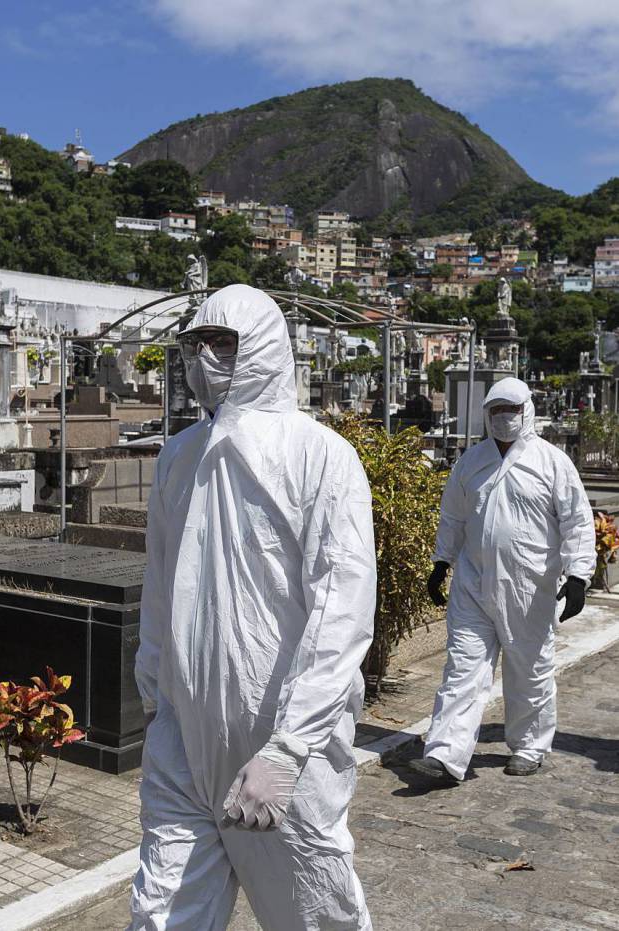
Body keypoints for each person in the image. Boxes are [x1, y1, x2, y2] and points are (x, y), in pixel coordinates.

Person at [129, 284, 377, 930]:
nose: (204, 357)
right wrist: (156, 702)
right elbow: (160, 588)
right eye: (195, 343)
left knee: (316, 915)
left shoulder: (320, 457)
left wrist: (289, 749)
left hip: (280, 754)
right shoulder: (177, 461)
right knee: (161, 915)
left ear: (262, 349)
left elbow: (339, 612)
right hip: (183, 748)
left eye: (222, 343)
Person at [411, 377, 595, 784]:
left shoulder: (551, 463)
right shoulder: (471, 462)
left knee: (528, 668)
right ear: (486, 415)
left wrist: (579, 574)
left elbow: (576, 522)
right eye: (496, 410)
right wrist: (441, 562)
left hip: (529, 588)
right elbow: (454, 516)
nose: (504, 418)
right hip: (473, 584)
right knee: (463, 669)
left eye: (511, 410)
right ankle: (444, 754)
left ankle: (530, 746)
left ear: (526, 411)